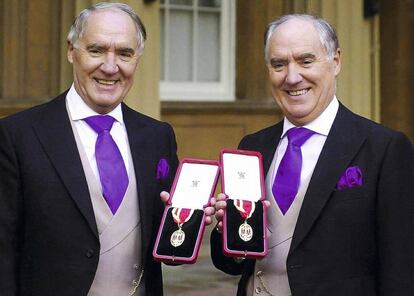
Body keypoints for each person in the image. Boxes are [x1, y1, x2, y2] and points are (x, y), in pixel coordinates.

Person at [210, 14, 414, 296]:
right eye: (278, 64)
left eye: (306, 61)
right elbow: (231, 264)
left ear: (336, 61)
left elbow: (401, 268)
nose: (292, 77)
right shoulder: (252, 146)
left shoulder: (384, 149)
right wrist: (227, 233)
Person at [0, 3, 178, 295]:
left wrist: (196, 218)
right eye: (96, 50)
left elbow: (167, 237)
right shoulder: (17, 135)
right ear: (71, 50)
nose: (110, 67)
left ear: (137, 59)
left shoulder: (158, 136)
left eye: (124, 53)